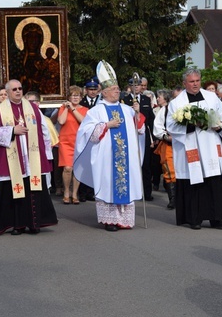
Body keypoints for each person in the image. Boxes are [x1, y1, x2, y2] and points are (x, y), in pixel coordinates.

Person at [74, 61, 145, 231]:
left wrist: (137, 113)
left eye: (118, 88)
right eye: (114, 89)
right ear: (104, 92)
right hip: (106, 157)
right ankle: (110, 220)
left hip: (125, 157)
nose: (117, 91)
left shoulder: (127, 109)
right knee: (108, 185)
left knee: (125, 183)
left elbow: (139, 130)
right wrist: (106, 125)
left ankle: (124, 220)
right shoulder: (96, 111)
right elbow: (86, 133)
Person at [0, 79, 57, 235]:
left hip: (32, 158)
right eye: (14, 89)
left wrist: (46, 154)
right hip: (12, 158)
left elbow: (44, 131)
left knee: (34, 190)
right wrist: (11, 131)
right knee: (14, 191)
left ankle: (34, 223)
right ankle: (17, 225)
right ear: (8, 92)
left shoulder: (33, 109)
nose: (18, 91)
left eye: (20, 88)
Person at [166, 68, 222, 230]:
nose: (195, 84)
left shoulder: (211, 97)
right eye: (191, 81)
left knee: (214, 181)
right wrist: (191, 124)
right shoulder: (177, 103)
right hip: (191, 146)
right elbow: (171, 126)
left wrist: (219, 126)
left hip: (210, 144)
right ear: (184, 83)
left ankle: (216, 218)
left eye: (197, 81)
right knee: (193, 183)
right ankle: (193, 218)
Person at [122, 76, 155, 201]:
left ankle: (147, 192)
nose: (136, 87)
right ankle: (133, 191)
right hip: (131, 133)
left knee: (145, 164)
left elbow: (150, 118)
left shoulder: (146, 99)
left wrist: (154, 136)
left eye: (138, 85)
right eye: (133, 85)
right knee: (132, 164)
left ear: (142, 86)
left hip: (143, 133)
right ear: (130, 87)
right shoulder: (124, 100)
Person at [56, 86, 88, 204]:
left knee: (77, 168)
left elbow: (83, 121)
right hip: (65, 142)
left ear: (81, 97)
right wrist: (66, 108)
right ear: (69, 97)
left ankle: (75, 193)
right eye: (73, 95)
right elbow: (61, 121)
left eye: (78, 95)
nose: (75, 97)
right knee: (67, 168)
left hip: (79, 142)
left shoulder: (85, 110)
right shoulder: (63, 108)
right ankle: (66, 192)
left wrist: (73, 110)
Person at [153, 89, 176, 209]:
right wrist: (167, 137)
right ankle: (173, 198)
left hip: (183, 145)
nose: (157, 98)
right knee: (169, 170)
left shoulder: (182, 109)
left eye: (159, 97)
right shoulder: (164, 111)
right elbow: (158, 127)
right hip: (168, 144)